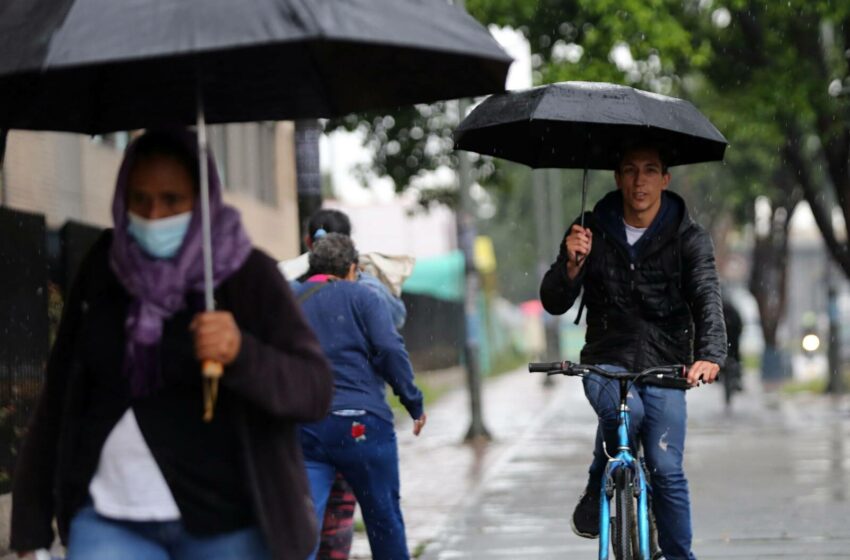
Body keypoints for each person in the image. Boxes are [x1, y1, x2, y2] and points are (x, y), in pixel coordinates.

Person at [10, 129, 334, 560]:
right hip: (108, 518)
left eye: (172, 200)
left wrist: (242, 352)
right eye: (139, 199)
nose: (153, 215)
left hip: (227, 522)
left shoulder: (246, 273)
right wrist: (30, 529)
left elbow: (313, 389)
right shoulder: (103, 269)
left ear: (202, 200)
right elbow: (61, 397)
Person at [539, 142, 726, 560]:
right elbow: (554, 301)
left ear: (665, 179)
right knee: (627, 412)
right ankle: (597, 483)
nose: (639, 181)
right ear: (617, 177)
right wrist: (570, 265)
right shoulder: (589, 229)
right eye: (629, 170)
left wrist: (710, 354)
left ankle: (679, 556)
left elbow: (706, 296)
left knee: (666, 468)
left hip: (667, 360)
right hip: (606, 357)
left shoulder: (689, 237)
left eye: (649, 170)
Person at [281, 208, 410, 560]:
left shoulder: (290, 293)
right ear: (352, 258)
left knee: (305, 523)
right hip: (363, 423)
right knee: (381, 519)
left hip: (306, 423)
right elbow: (391, 341)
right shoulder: (368, 292)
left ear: (308, 244)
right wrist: (412, 400)